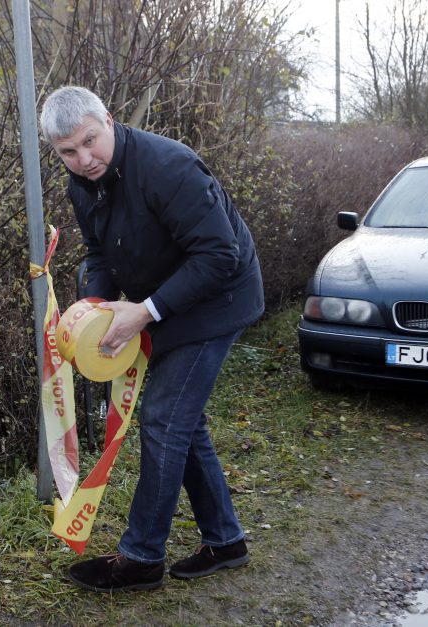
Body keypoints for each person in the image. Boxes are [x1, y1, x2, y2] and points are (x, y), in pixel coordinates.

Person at [39, 86, 264, 592]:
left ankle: (141, 558)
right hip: (161, 301)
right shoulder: (83, 182)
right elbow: (99, 254)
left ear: (110, 121)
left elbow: (219, 256)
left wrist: (145, 311)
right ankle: (226, 541)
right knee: (182, 423)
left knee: (163, 419)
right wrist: (93, 312)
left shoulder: (169, 167)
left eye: (90, 142)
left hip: (217, 301)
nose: (84, 159)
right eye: (68, 152)